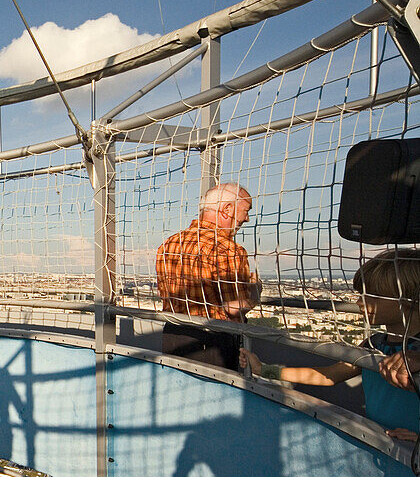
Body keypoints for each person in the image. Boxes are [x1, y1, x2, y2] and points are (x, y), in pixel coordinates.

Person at [241, 249, 420, 442]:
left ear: (409, 300)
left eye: (372, 295)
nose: (360, 302)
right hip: (382, 442)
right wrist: (263, 370)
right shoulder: (373, 343)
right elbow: (328, 375)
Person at [156, 183, 261, 370]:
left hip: (171, 335)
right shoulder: (228, 250)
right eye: (246, 211)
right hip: (212, 344)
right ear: (227, 209)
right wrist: (254, 293)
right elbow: (234, 309)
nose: (247, 219)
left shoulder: (168, 244)